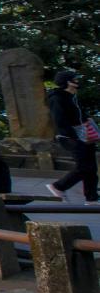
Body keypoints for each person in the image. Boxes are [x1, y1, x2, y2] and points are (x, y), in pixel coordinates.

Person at [47, 69, 98, 204]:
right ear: (68, 82)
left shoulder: (72, 97)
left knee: (92, 168)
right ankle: (58, 186)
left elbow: (81, 116)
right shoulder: (57, 98)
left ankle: (92, 199)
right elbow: (60, 120)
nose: (77, 81)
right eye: (75, 79)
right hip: (70, 138)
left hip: (85, 136)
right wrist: (73, 136)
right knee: (83, 167)